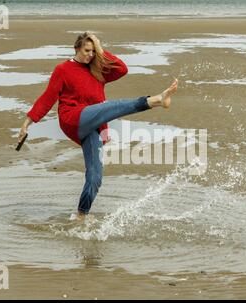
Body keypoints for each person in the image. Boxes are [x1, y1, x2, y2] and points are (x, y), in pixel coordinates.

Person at [18, 32, 178, 220]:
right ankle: (155, 100)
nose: (90, 55)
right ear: (76, 48)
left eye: (93, 51)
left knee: (95, 177)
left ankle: (81, 216)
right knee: (109, 107)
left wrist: (99, 47)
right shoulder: (63, 70)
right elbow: (47, 98)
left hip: (93, 125)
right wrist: (27, 122)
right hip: (72, 118)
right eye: (87, 50)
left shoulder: (97, 70)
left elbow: (122, 69)